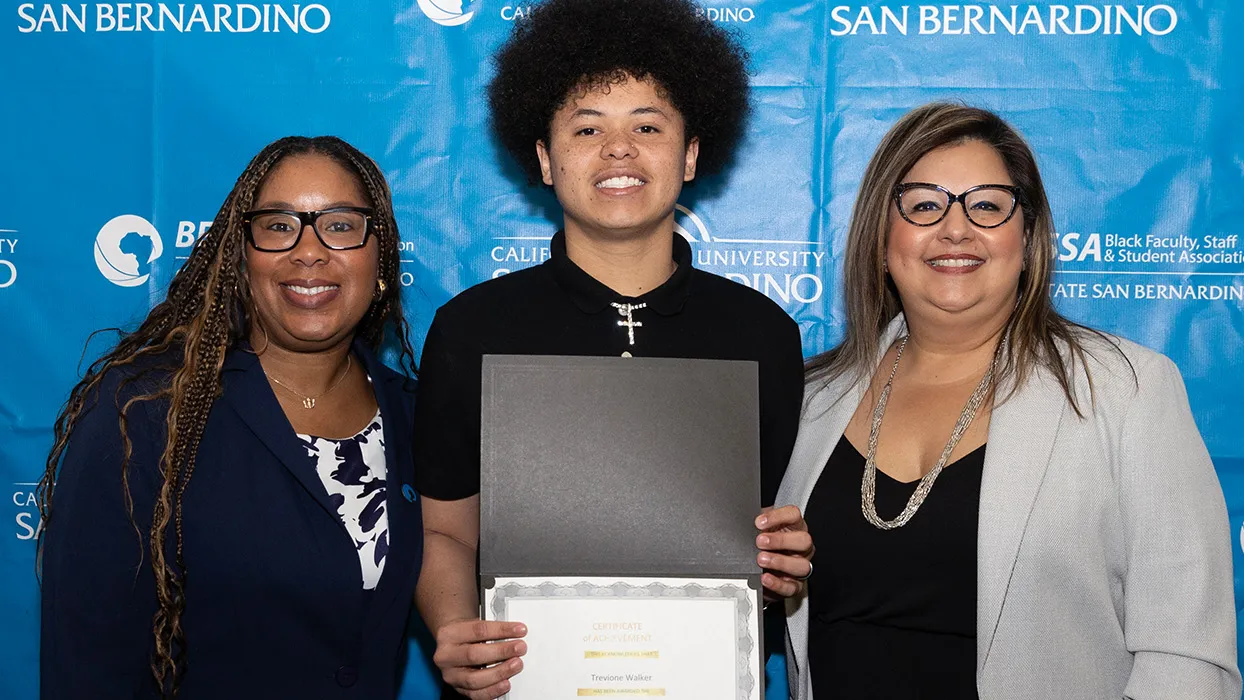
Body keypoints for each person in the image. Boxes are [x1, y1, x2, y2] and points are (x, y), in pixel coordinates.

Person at [412, 0, 814, 697]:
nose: (618, 149)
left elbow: (771, 534)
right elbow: (444, 532)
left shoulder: (761, 334)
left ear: (690, 154)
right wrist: (456, 628)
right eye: (587, 127)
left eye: (648, 126)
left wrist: (782, 567)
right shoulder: (473, 328)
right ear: (543, 157)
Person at [776, 102, 1240, 699]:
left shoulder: (1126, 389)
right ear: (882, 234)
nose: (955, 228)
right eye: (923, 205)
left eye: (988, 206)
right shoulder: (809, 398)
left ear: (1028, 235)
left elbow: (1188, 656)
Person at [39, 136, 427, 698]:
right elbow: (87, 660)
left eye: (341, 225)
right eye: (278, 225)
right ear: (241, 258)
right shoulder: (144, 411)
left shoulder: (415, 415)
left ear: (381, 256)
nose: (309, 251)